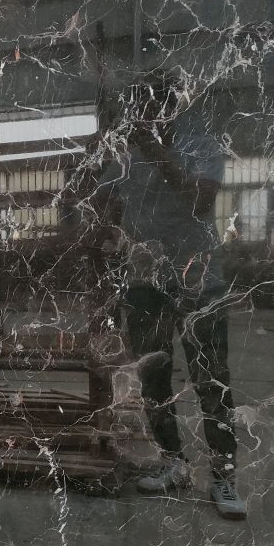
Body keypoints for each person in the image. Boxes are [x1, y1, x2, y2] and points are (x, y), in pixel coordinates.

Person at [102, 77, 246, 520]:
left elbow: (199, 201)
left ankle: (223, 477)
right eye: (135, 110)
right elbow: (106, 206)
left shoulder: (199, 145)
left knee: (211, 380)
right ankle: (173, 463)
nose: (139, 117)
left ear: (167, 108)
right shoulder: (126, 155)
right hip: (144, 281)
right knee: (154, 379)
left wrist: (153, 150)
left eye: (147, 108)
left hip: (198, 281)